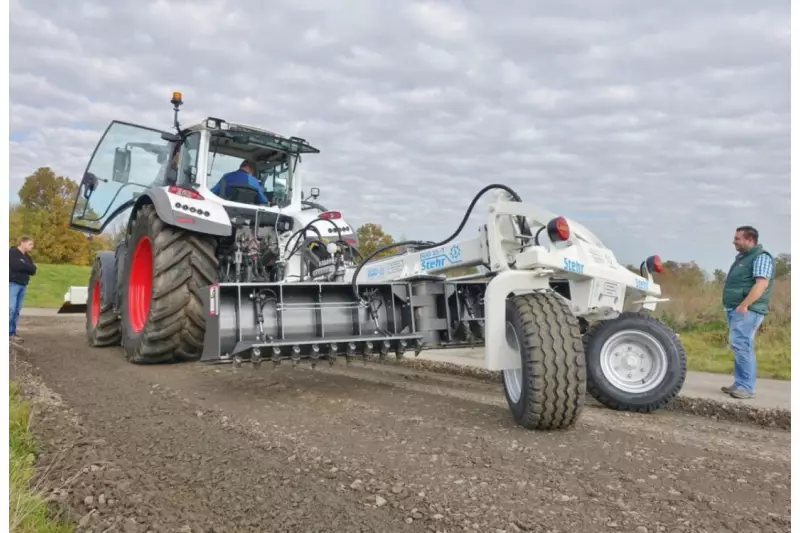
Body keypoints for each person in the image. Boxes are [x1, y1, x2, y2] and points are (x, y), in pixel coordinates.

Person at [720, 226, 774, 399]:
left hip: (748, 310)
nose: (733, 241)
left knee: (741, 344)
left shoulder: (760, 257)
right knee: (738, 345)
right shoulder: (744, 258)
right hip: (737, 308)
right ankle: (739, 383)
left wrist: (744, 305)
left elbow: (761, 284)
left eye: (737, 238)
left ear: (749, 240)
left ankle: (746, 387)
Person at [9, 236, 36, 344]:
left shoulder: (27, 257)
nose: (32, 247)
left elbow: (33, 270)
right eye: (30, 244)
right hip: (12, 284)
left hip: (23, 285)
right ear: (22, 243)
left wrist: (25, 265)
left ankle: (12, 333)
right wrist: (27, 266)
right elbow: (16, 266)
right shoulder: (12, 253)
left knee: (16, 310)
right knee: (10, 309)